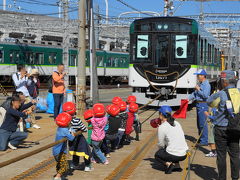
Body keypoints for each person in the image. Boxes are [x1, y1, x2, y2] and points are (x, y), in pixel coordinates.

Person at [205, 70, 240, 180]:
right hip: (235, 128)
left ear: (225, 82)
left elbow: (208, 101)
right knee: (235, 155)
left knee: (221, 156)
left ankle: (222, 178)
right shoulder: (239, 93)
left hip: (221, 129)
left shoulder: (221, 94)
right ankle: (235, 178)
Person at [154, 106, 188, 174]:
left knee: (157, 155)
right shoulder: (177, 123)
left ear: (161, 115)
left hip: (174, 155)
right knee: (172, 145)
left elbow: (161, 144)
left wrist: (162, 150)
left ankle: (169, 164)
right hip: (184, 154)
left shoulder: (162, 127)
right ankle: (177, 166)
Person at [189, 69, 211, 146]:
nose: (198, 77)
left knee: (202, 123)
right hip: (199, 104)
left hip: (203, 105)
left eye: (199, 75)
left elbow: (205, 95)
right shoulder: (200, 83)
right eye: (197, 75)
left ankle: (204, 141)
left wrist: (198, 90)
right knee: (199, 123)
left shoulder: (207, 85)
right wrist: (188, 98)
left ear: (203, 76)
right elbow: (195, 94)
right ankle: (201, 138)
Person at [52, 112, 76, 180]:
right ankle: (57, 177)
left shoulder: (60, 128)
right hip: (60, 152)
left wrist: (71, 130)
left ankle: (59, 176)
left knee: (59, 164)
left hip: (56, 151)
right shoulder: (65, 130)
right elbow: (71, 138)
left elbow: (69, 130)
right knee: (64, 166)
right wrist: (73, 134)